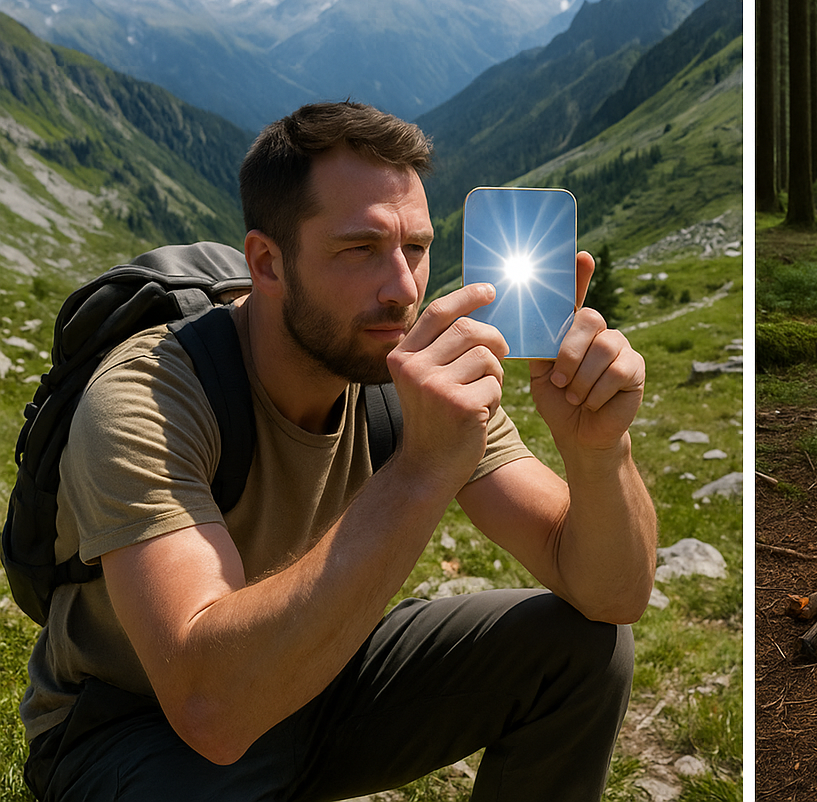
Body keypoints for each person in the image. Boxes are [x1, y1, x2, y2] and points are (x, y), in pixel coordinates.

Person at [20, 101, 657, 801]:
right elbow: (211, 712)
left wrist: (599, 452)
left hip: (318, 683)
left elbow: (613, 593)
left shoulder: (406, 369)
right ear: (266, 261)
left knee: (584, 650)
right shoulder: (150, 398)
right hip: (137, 732)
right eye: (361, 250)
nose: (404, 289)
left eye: (415, 247)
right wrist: (418, 473)